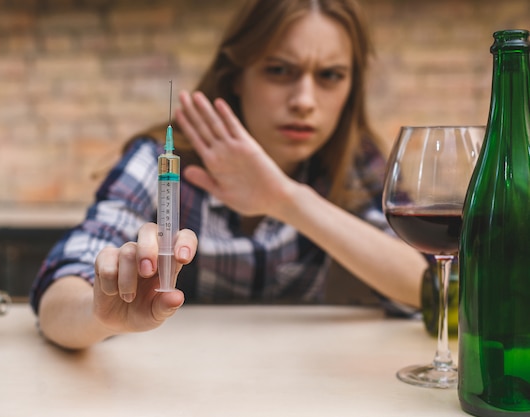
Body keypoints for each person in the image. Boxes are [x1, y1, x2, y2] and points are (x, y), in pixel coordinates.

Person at [30, 0, 427, 349]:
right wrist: (100, 314)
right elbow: (62, 290)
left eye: (330, 76)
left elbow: (436, 284)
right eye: (279, 70)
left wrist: (287, 199)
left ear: (352, 85)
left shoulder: (353, 164)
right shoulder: (161, 161)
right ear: (237, 73)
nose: (305, 101)